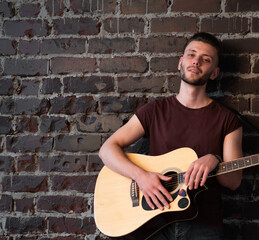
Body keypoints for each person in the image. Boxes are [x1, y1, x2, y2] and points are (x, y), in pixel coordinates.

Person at [98, 32, 243, 240]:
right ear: (181, 62)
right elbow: (107, 150)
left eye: (206, 59)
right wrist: (141, 177)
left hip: (203, 225)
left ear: (214, 73)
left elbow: (234, 181)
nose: (196, 61)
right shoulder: (154, 111)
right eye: (192, 54)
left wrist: (215, 160)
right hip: (153, 221)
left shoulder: (228, 120)